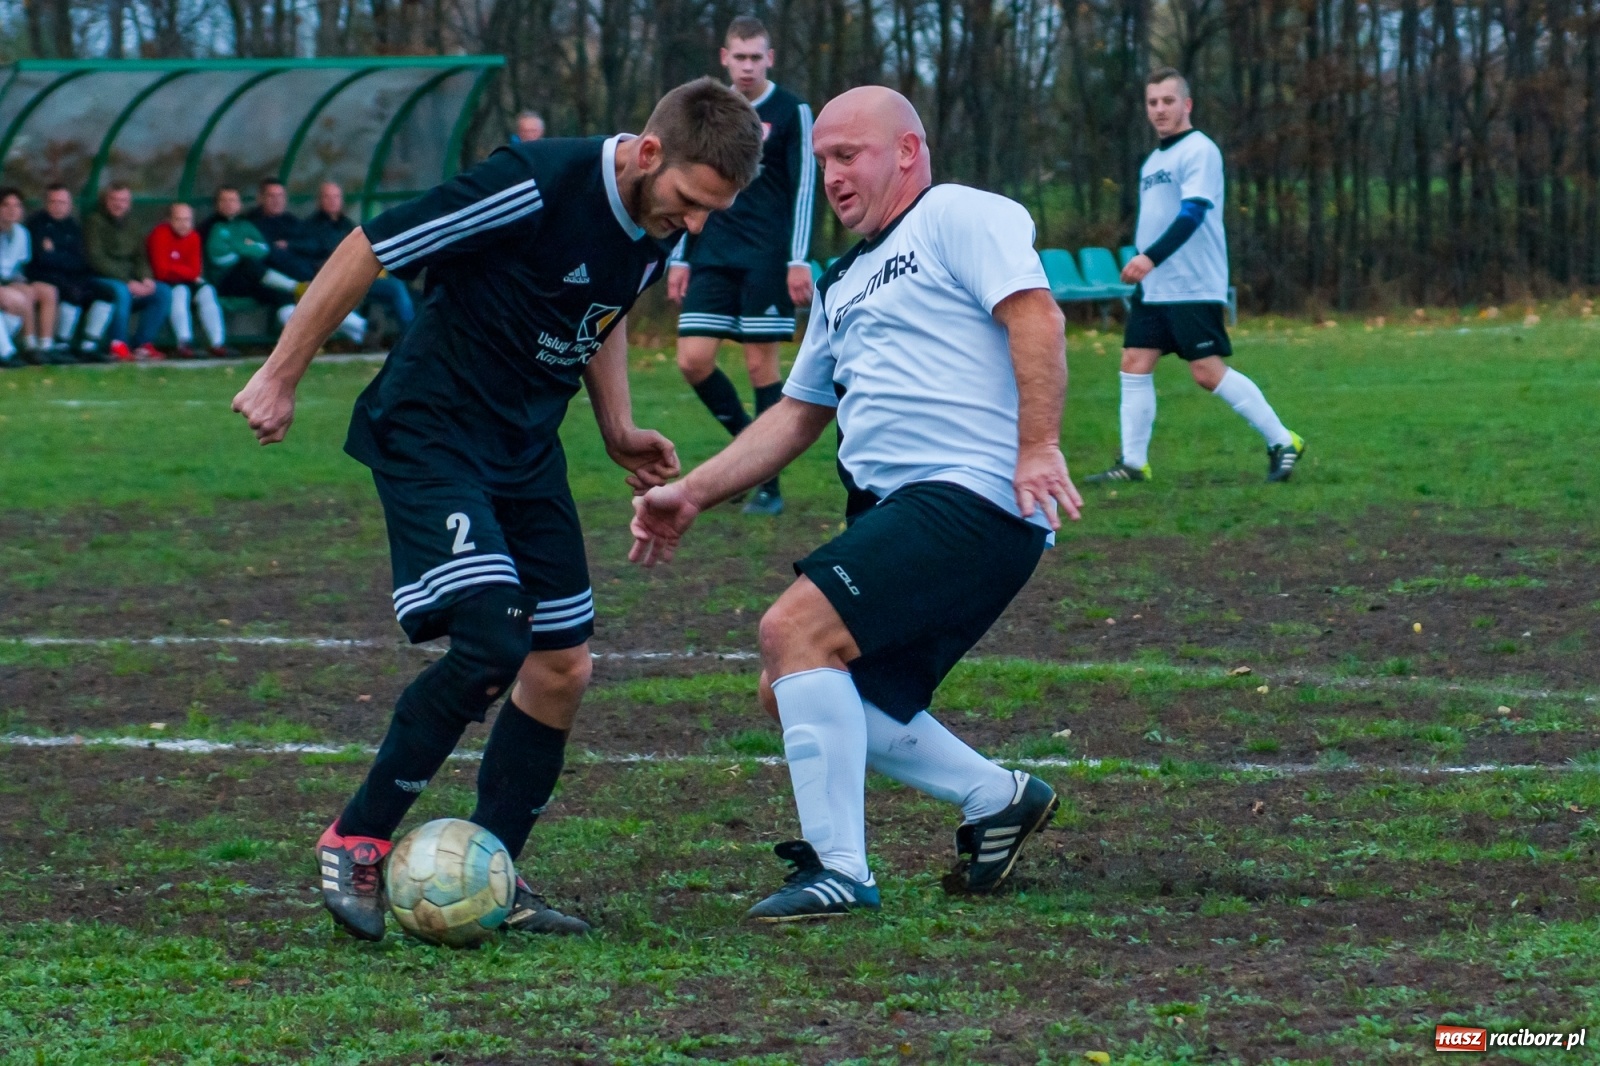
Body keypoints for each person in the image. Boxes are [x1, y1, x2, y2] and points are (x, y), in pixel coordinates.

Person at [231, 77, 763, 943]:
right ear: (649, 151)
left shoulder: (652, 220)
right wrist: (281, 373)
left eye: (714, 212)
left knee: (562, 666)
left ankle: (494, 872)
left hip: (526, 449)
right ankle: (356, 837)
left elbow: (605, 308)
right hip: (432, 431)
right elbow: (371, 245)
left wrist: (617, 426)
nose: (697, 224)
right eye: (691, 202)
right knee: (492, 638)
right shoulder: (532, 181)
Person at [630, 87, 1080, 921]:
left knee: (790, 630)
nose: (832, 174)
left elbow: (1036, 315)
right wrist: (689, 493)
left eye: (849, 155)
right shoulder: (845, 280)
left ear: (906, 151)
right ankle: (996, 796)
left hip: (971, 493)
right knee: (797, 685)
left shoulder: (957, 214)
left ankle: (841, 871)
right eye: (824, 159)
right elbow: (797, 415)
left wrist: (1037, 445)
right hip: (894, 510)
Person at [1085, 69, 1305, 485]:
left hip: (1191, 283)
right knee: (1134, 362)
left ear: (1186, 105)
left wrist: (1149, 258)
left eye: (1168, 101)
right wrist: (1150, 265)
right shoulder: (1153, 160)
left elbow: (1193, 213)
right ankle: (1134, 463)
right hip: (1157, 288)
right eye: (1152, 102)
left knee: (1205, 371)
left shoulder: (1200, 150)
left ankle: (1283, 440)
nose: (1159, 110)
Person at [666, 15, 816, 516]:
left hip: (767, 258)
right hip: (710, 252)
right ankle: (748, 455)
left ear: (769, 58)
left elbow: (804, 191)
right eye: (740, 56)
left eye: (757, 57)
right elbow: (682, 181)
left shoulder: (793, 111)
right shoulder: (708, 109)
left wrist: (798, 259)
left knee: (759, 365)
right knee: (692, 360)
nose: (748, 65)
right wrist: (679, 256)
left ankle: (767, 486)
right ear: (724, 58)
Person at [302, 182, 414, 337]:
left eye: (336, 196)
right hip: (333, 280)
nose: (332, 200)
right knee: (395, 289)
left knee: (398, 282)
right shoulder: (311, 227)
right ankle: (408, 337)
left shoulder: (346, 224)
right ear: (319, 200)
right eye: (327, 197)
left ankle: (409, 336)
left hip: (358, 276)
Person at [83, 183, 170, 361]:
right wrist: (127, 282)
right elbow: (96, 258)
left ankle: (143, 344)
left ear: (129, 203)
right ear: (106, 201)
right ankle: (118, 343)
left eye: (123, 200)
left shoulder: (134, 225)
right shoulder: (94, 222)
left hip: (131, 280)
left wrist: (146, 278)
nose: (118, 204)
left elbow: (140, 257)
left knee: (162, 292)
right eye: (114, 200)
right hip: (101, 279)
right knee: (121, 292)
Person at [26, 184, 113, 360]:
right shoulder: (35, 224)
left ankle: (89, 345)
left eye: (62, 202)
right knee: (71, 292)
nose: (58, 206)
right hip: (43, 277)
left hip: (74, 276)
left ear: (70, 204)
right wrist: (61, 257)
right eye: (53, 202)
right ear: (45, 203)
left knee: (106, 294)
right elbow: (40, 259)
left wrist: (54, 254)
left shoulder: (73, 226)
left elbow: (81, 260)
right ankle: (61, 344)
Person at [148, 202, 236, 359]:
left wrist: (175, 269)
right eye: (178, 219)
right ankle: (184, 343)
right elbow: (161, 271)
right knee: (180, 293)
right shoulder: (160, 234)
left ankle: (217, 343)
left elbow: (195, 270)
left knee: (207, 291)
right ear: (169, 220)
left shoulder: (194, 236)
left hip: (186, 281)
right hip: (167, 283)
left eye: (187, 220)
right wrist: (184, 272)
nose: (183, 224)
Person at [0, 188, 63, 364]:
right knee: (18, 298)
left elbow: (18, 268)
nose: (12, 210)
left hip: (8, 281)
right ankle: (21, 347)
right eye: (6, 205)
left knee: (46, 291)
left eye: (17, 206)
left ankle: (44, 347)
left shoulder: (21, 233)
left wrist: (18, 284)